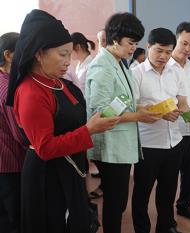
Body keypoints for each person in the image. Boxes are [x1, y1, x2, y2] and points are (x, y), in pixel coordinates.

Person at [6, 9, 120, 233]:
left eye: (70, 54)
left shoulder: (60, 83)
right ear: (39, 53)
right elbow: (45, 148)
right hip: (47, 174)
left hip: (70, 166)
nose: (68, 61)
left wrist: (94, 123)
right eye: (62, 54)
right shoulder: (31, 91)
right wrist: (89, 130)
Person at [85, 12, 159, 233]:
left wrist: (142, 109)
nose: (133, 48)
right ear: (115, 39)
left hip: (121, 143)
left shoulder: (119, 63)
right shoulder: (102, 66)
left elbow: (124, 102)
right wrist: (138, 116)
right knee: (115, 203)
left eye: (135, 43)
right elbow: (102, 112)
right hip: (110, 144)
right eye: (130, 43)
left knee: (119, 201)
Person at [131, 28, 189, 233]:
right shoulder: (136, 73)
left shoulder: (176, 71)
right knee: (142, 193)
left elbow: (182, 99)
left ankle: (164, 227)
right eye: (159, 51)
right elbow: (133, 107)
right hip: (149, 145)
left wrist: (185, 110)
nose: (163, 56)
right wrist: (161, 113)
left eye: (168, 51)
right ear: (148, 47)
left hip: (174, 141)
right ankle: (142, 229)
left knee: (167, 192)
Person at [167, 22, 190, 222]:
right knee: (170, 177)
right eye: (184, 44)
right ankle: (167, 216)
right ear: (176, 40)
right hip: (172, 131)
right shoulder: (165, 65)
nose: (188, 49)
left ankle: (184, 205)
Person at [0, 32, 26, 233]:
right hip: (10, 163)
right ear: (9, 55)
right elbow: (20, 134)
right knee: (13, 219)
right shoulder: (9, 88)